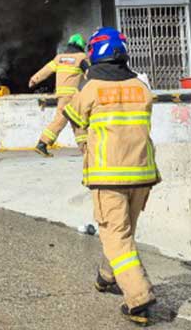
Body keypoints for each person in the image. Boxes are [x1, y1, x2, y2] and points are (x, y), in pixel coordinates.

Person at [62, 27, 160, 326]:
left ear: (95, 52)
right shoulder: (141, 86)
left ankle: (138, 297)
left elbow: (74, 117)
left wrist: (83, 142)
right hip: (142, 174)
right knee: (122, 233)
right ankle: (107, 276)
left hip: (109, 176)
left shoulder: (91, 88)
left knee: (116, 236)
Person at [29, 33, 89, 157]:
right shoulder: (81, 58)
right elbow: (90, 72)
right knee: (69, 120)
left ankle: (85, 148)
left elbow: (46, 70)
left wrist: (34, 79)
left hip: (61, 94)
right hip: (72, 95)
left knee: (73, 120)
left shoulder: (59, 58)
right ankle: (42, 144)